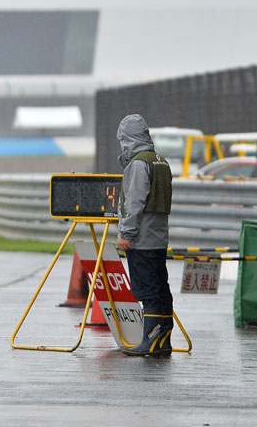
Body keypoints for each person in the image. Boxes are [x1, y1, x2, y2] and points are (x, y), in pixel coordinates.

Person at [116, 113, 174, 356]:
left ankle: (150, 341)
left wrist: (126, 234)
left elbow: (134, 202)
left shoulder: (138, 164)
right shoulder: (160, 161)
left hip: (142, 239)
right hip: (159, 237)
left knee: (147, 292)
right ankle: (163, 340)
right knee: (161, 289)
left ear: (128, 138)